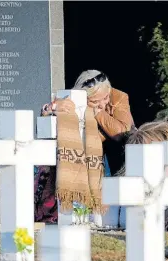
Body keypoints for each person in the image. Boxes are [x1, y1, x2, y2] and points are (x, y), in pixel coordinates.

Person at [34, 70, 134, 223]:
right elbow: (50, 125)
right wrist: (50, 111)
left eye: (106, 97)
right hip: (78, 155)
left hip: (111, 155)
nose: (103, 103)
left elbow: (122, 132)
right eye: (95, 101)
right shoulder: (73, 101)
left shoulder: (119, 97)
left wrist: (97, 112)